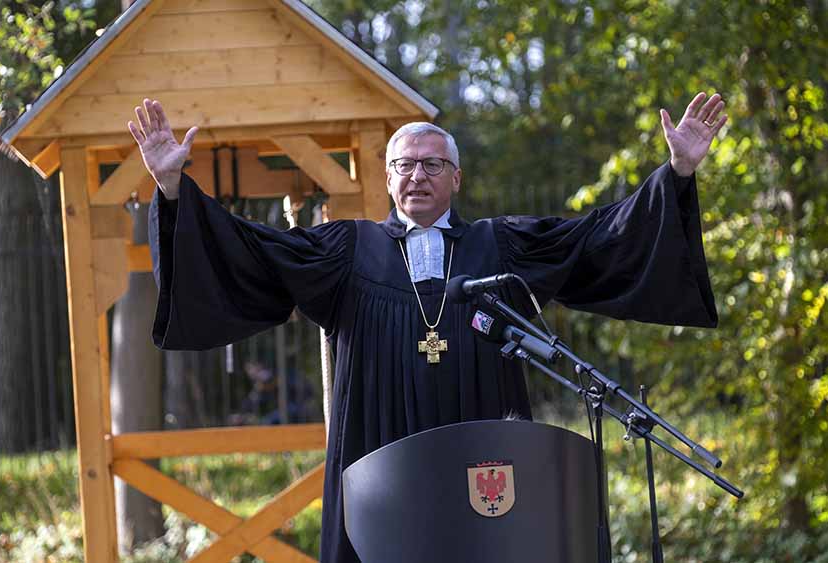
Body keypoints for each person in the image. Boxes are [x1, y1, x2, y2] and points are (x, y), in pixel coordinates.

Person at [130, 92, 726, 563]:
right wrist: (174, 189)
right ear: (388, 179)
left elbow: (597, 239)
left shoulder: (503, 245)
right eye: (404, 166)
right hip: (377, 445)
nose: (417, 176)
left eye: (432, 165)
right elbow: (250, 251)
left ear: (456, 178)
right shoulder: (346, 249)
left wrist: (674, 174)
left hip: (484, 446)